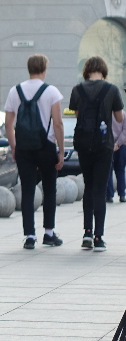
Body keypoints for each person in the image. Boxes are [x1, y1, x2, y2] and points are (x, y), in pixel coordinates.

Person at [4, 54, 65, 250]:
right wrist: (61, 150)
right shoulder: (52, 92)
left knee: (28, 190)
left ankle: (29, 236)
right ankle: (49, 233)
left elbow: (8, 123)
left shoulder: (15, 91)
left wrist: (14, 147)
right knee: (49, 189)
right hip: (46, 146)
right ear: (44, 69)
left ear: (28, 68)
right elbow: (58, 123)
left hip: (24, 147)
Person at [69, 56, 125, 252]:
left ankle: (86, 232)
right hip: (104, 145)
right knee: (100, 189)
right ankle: (99, 237)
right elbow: (119, 117)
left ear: (86, 70)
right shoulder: (112, 90)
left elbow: (77, 115)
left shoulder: (77, 89)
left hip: (83, 144)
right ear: (103, 70)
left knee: (88, 186)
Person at [107, 92, 126, 203]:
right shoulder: (123, 114)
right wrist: (118, 143)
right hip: (121, 146)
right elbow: (125, 132)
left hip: (109, 146)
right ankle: (122, 194)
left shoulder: (106, 114)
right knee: (120, 170)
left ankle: (109, 195)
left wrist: (113, 144)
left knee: (108, 171)